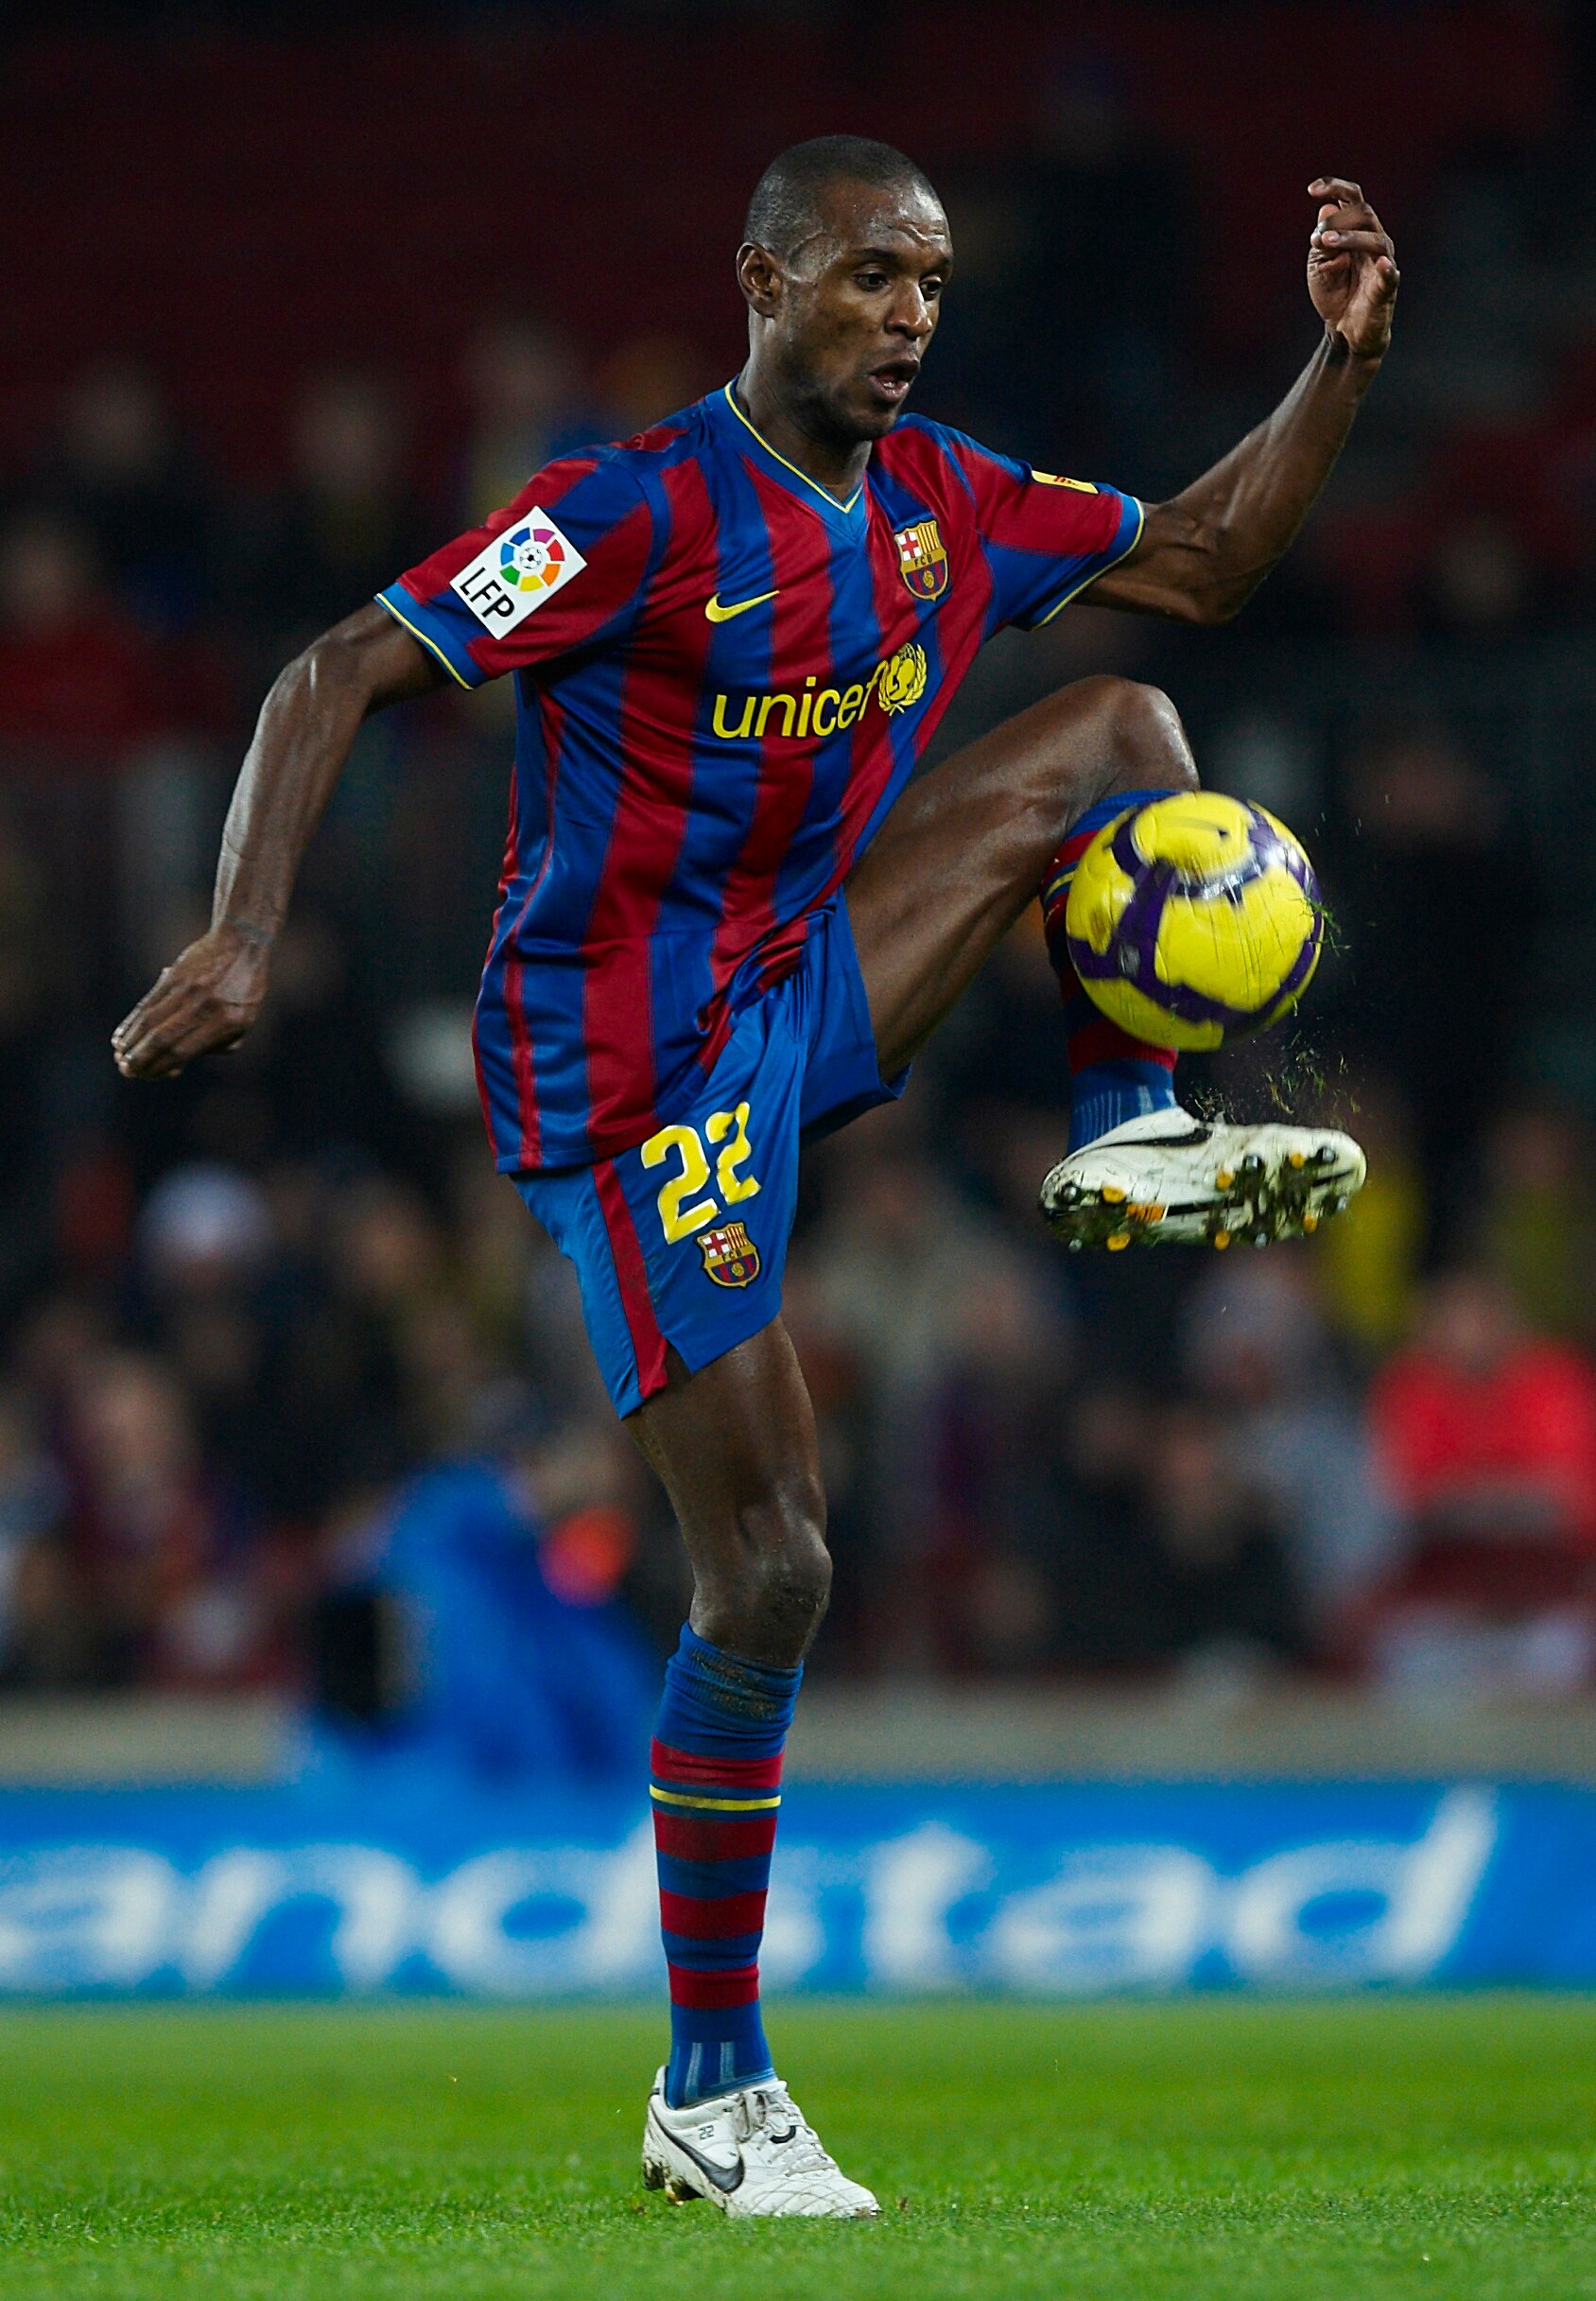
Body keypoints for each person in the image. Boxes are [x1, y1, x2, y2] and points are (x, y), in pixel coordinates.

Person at [113, 136, 1397, 2216]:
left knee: (1131, 721)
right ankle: (711, 2089)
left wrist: (1333, 363)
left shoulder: (944, 505)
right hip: (633, 1080)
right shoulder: (621, 512)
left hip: (801, 978)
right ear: (763, 279)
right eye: (871, 276)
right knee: (774, 1566)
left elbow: (1209, 554)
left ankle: (1126, 1124)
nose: (907, 313)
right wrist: (245, 928)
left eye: (933, 283)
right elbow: (328, 668)